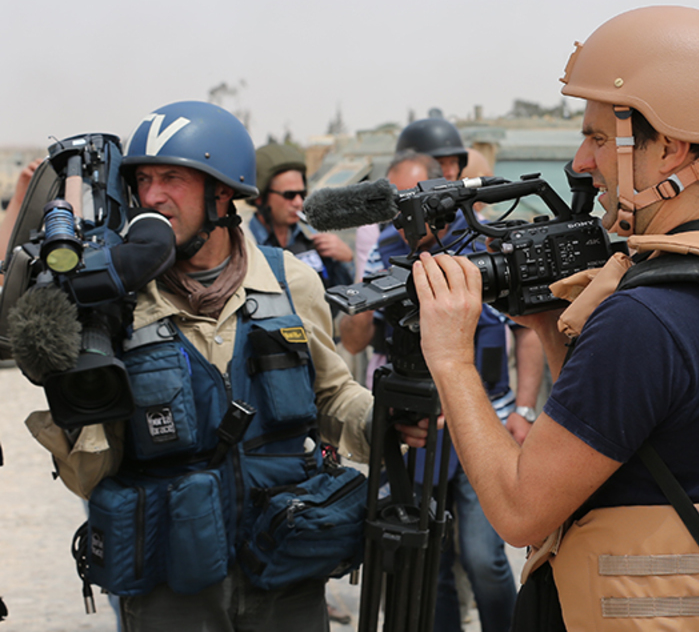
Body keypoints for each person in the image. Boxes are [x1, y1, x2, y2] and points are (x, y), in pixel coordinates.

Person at [404, 6, 699, 630]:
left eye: (598, 138)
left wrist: (453, 359)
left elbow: (519, 512)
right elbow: (647, 439)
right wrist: (548, 327)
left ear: (671, 150)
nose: (580, 162)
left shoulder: (646, 318)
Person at [23, 101, 373, 632]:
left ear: (222, 192)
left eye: (172, 178)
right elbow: (89, 473)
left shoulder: (291, 283)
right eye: (143, 179)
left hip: (282, 570)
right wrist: (68, 379)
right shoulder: (119, 302)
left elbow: (332, 395)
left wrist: (389, 420)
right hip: (173, 587)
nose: (153, 195)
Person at [343, 141, 521, 632]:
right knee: (431, 558)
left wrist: (524, 408)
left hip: (485, 419)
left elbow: (524, 330)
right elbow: (353, 339)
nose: (405, 213)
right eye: (394, 202)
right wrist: (366, 290)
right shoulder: (386, 247)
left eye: (411, 197)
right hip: (421, 423)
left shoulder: (479, 235)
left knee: (485, 557)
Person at [247, 142, 353, 295]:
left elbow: (343, 297)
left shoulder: (312, 239)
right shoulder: (245, 245)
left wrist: (346, 259)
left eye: (302, 194)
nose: (298, 203)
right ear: (260, 198)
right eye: (289, 195)